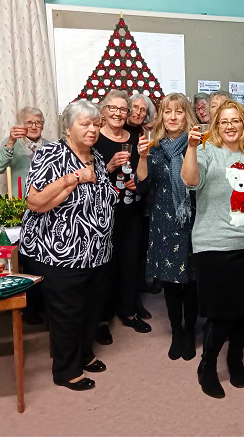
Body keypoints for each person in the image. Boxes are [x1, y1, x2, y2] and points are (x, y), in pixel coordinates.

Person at [19, 100, 117, 391]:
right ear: (68, 128)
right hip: (60, 252)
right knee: (68, 312)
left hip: (97, 252)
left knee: (91, 308)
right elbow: (35, 202)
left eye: (95, 124)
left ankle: (84, 354)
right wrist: (74, 177)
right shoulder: (51, 153)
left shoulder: (96, 156)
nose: (92, 129)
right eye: (84, 124)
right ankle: (65, 370)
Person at [182, 100, 244, 399]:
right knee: (221, 313)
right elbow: (191, 180)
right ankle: (207, 366)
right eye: (224, 121)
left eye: (236, 120)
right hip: (214, 245)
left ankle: (235, 359)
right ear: (216, 126)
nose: (230, 126)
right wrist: (192, 148)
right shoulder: (208, 152)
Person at [135, 93, 198, 361]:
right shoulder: (155, 147)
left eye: (179, 112)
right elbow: (142, 185)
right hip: (164, 223)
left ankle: (191, 331)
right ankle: (177, 332)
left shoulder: (198, 145)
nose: (173, 117)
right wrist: (140, 158)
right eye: (168, 112)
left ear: (187, 116)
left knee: (192, 282)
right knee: (171, 284)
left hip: (192, 220)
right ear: (162, 116)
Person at [94, 90, 151, 346]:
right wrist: (108, 168)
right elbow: (89, 177)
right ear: (104, 111)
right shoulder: (95, 138)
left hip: (133, 209)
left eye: (122, 109)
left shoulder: (136, 137)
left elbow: (143, 171)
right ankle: (102, 320)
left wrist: (137, 183)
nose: (118, 113)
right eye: (113, 108)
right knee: (105, 266)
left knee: (130, 262)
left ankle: (129, 312)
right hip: (105, 213)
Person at [0, 106, 49, 195]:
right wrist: (10, 143)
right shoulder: (12, 143)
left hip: (46, 201)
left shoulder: (50, 146)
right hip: (19, 202)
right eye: (29, 123)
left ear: (42, 126)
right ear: (21, 125)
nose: (34, 127)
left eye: (38, 123)